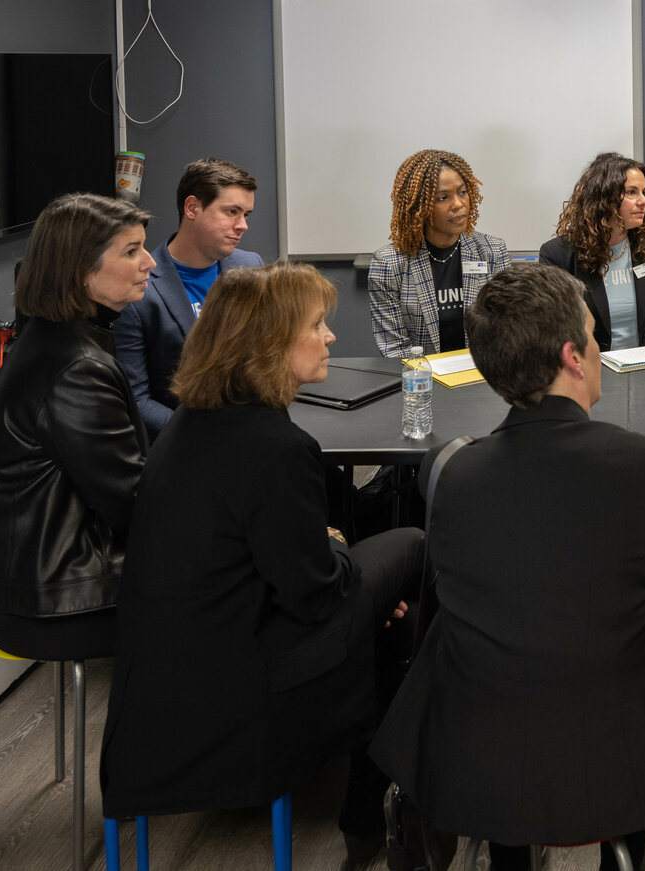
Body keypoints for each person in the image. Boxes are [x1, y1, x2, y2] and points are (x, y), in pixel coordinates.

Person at [371, 262, 645, 871]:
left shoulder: (450, 476)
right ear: (572, 355)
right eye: (594, 335)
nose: (600, 346)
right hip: (626, 755)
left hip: (485, 758)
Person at [99, 262, 426, 868]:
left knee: (386, 605)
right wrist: (335, 550)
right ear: (270, 343)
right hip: (241, 691)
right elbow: (317, 596)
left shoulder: (189, 427)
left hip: (161, 691)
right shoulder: (276, 448)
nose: (331, 337)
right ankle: (377, 807)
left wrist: (332, 553)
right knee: (411, 548)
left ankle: (373, 803)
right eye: (318, 325)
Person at [0, 193, 153, 660]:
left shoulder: (50, 336)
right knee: (237, 587)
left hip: (28, 583)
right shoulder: (77, 367)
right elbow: (136, 505)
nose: (149, 262)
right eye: (131, 251)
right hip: (51, 602)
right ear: (79, 269)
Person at [113, 158, 261, 438]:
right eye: (232, 212)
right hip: (186, 441)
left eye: (246, 215)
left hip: (252, 426)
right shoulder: (140, 290)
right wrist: (206, 434)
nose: (242, 225)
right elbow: (136, 401)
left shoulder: (251, 267)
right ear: (192, 207)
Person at [539, 152, 645, 351]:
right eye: (632, 192)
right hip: (591, 373)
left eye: (644, 192)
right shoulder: (558, 255)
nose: (644, 201)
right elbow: (554, 331)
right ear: (604, 198)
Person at [369, 148, 510, 357]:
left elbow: (506, 333)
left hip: (481, 375)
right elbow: (395, 350)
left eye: (462, 193)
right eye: (443, 198)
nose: (459, 204)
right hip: (421, 381)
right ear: (420, 206)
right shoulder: (389, 264)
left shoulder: (491, 251)